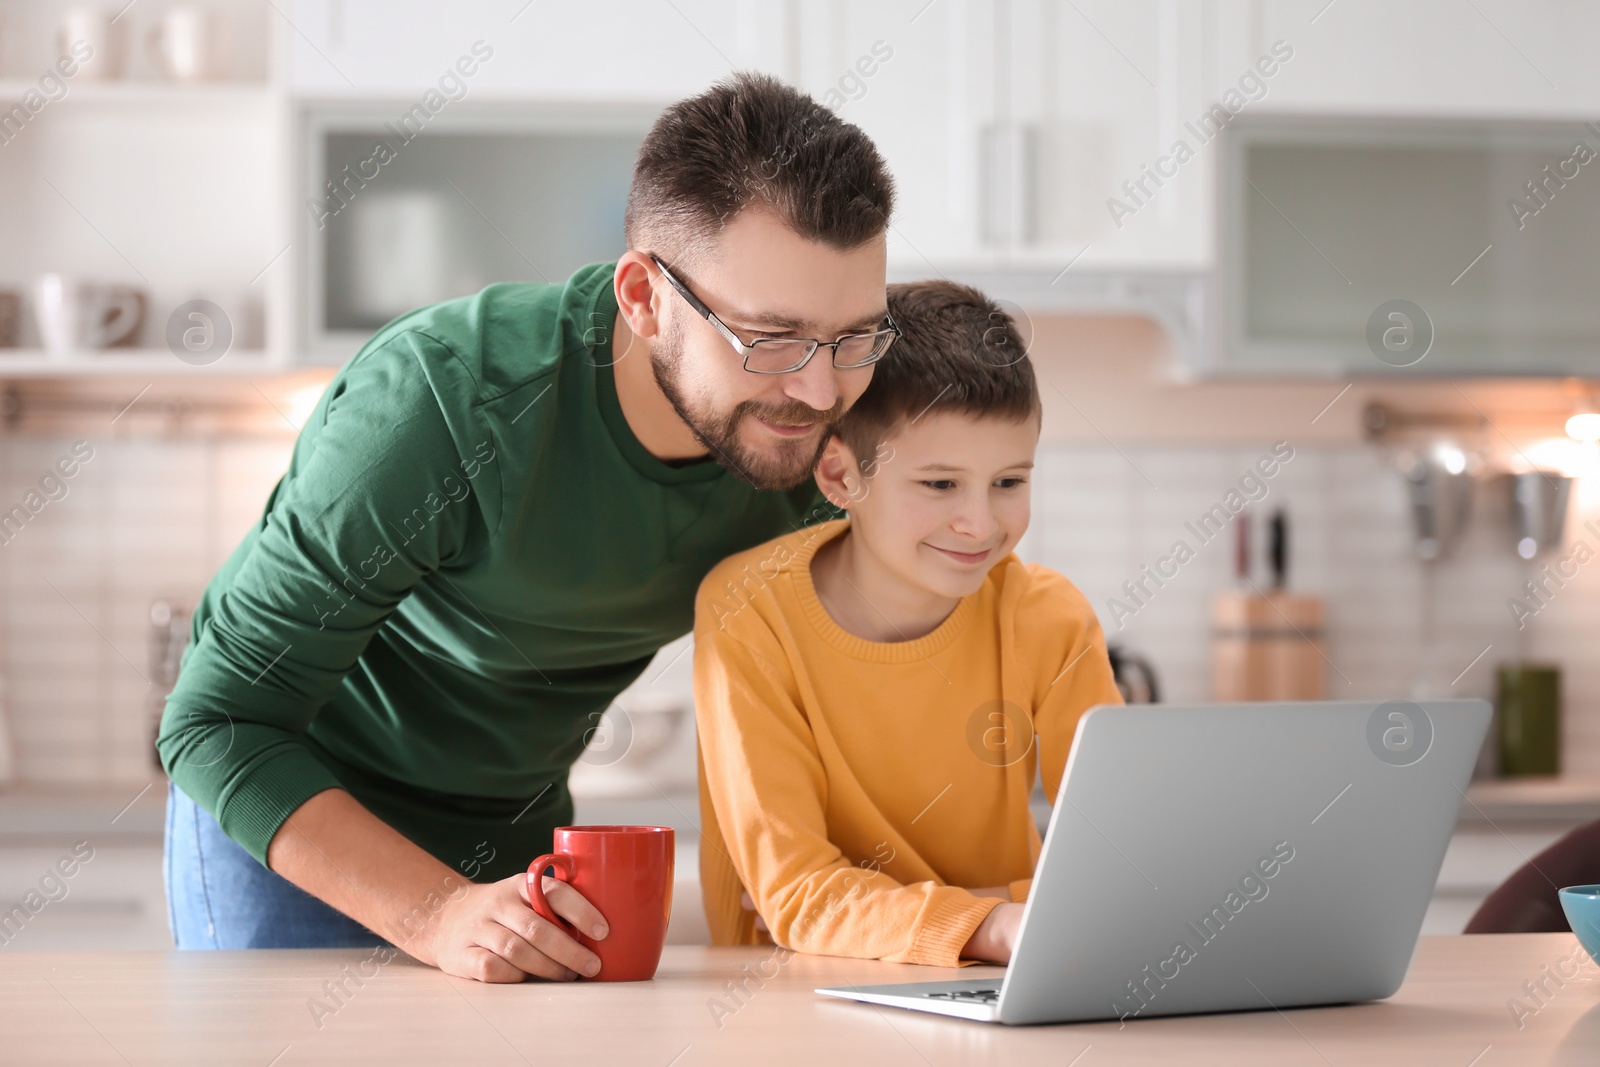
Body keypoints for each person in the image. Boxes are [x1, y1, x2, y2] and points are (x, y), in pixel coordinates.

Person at [156, 72, 898, 983]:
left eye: (854, 337)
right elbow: (216, 721)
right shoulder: (443, 404)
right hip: (299, 814)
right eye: (771, 340)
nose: (821, 391)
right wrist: (431, 911)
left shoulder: (815, 438)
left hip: (515, 836)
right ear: (642, 298)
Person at [693, 280, 1122, 966]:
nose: (981, 524)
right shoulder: (747, 609)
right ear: (838, 476)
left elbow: (1117, 873)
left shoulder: (1049, 616)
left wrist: (933, 913)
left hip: (1004, 977)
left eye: (1009, 481)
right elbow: (800, 898)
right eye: (940, 484)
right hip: (789, 996)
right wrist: (1000, 916)